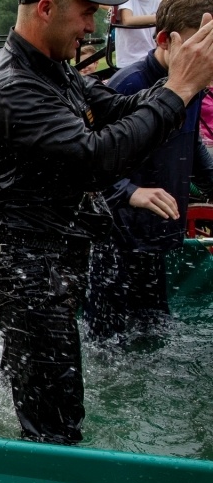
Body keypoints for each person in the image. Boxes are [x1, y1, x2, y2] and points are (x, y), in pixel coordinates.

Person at [0, 0, 213, 444]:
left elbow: (120, 108)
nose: (94, 24)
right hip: (25, 272)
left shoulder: (53, 69)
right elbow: (95, 159)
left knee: (37, 394)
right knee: (57, 426)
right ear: (46, 7)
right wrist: (177, 89)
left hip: (46, 264)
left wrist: (181, 78)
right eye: (85, 12)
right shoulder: (12, 87)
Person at [85, 0, 213, 340]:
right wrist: (129, 192)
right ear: (164, 41)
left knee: (155, 335)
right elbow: (90, 163)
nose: (203, 58)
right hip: (116, 239)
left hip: (155, 237)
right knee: (107, 344)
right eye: (193, 47)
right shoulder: (128, 84)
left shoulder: (193, 80)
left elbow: (191, 143)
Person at [114, 0, 161, 68]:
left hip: (150, 56)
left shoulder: (158, 2)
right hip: (129, 60)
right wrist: (160, 18)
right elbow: (127, 20)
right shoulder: (128, 1)